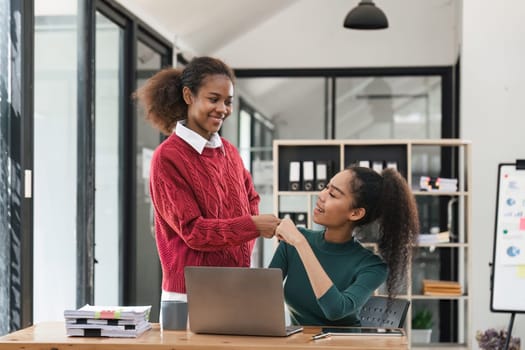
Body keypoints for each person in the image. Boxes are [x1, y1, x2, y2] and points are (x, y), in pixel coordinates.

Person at [134, 56, 280, 303]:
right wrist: (251, 226)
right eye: (213, 99)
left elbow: (251, 198)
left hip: (237, 284)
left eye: (228, 102)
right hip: (190, 293)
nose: (223, 109)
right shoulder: (167, 158)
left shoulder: (230, 152)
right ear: (189, 96)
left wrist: (246, 235)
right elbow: (193, 231)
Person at [269, 165, 419, 326]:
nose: (321, 195)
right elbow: (262, 293)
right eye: (326, 187)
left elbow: (335, 309)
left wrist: (301, 244)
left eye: (333, 194)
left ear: (355, 213)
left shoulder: (373, 266)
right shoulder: (292, 243)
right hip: (299, 343)